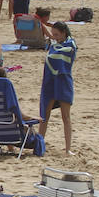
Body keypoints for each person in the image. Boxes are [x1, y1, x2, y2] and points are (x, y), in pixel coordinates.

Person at [38, 21, 77, 154]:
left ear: (64, 33)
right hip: (50, 81)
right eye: (53, 34)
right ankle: (40, 145)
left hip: (63, 81)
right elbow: (51, 59)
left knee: (66, 117)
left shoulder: (70, 45)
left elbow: (61, 58)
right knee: (44, 116)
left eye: (57, 34)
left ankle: (68, 149)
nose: (54, 37)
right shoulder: (53, 45)